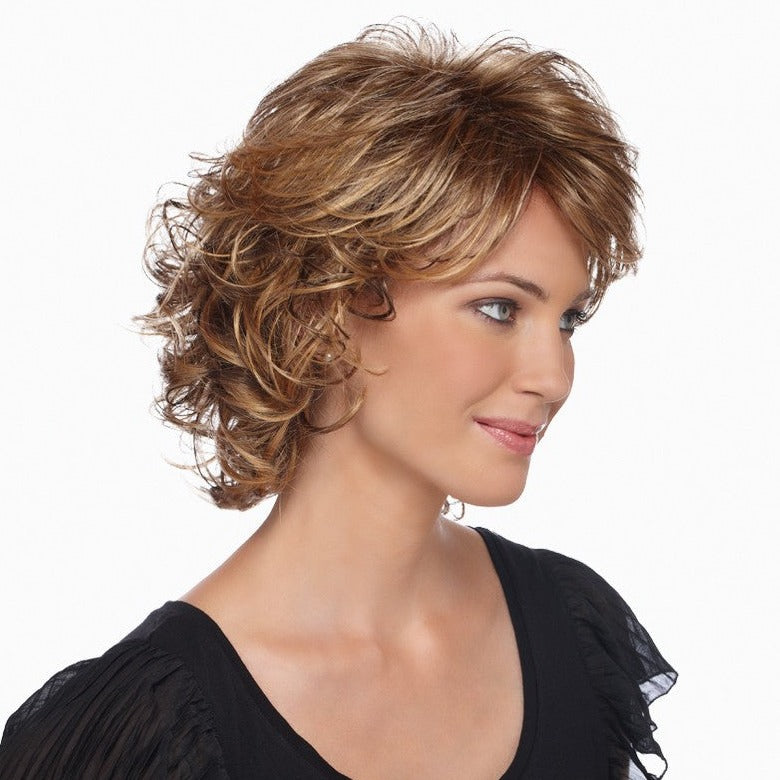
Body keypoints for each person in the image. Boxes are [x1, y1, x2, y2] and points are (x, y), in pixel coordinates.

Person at [0, 23, 677, 780]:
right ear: (323, 303)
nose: (553, 377)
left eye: (568, 320)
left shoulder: (569, 630)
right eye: (498, 308)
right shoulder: (146, 736)